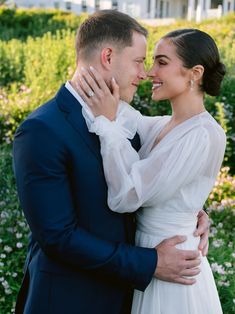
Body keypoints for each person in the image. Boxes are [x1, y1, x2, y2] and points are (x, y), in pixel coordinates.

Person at [13, 11, 209, 314]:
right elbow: (58, 237)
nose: (144, 73)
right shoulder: (43, 129)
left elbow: (145, 178)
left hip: (126, 298)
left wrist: (189, 211)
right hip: (70, 301)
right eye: (139, 60)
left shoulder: (123, 120)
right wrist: (151, 263)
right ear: (107, 56)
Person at [75, 28, 226, 313]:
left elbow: (128, 195)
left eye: (162, 62)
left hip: (173, 262)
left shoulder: (205, 134)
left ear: (194, 73)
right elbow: (119, 114)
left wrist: (106, 127)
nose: (149, 72)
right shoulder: (159, 126)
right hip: (149, 257)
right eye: (149, 61)